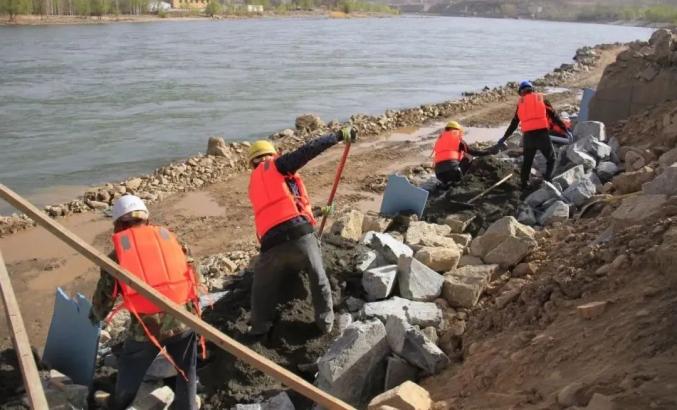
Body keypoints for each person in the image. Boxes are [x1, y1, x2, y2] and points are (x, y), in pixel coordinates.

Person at [89, 195, 200, 410]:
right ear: (146, 220)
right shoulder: (174, 241)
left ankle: (118, 403)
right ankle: (187, 406)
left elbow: (106, 298)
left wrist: (94, 317)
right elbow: (195, 277)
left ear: (119, 224)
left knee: (130, 368)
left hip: (147, 329)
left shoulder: (116, 257)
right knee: (187, 369)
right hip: (183, 320)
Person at [246, 127, 357, 337]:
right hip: (299, 234)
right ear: (273, 154)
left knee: (261, 288)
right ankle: (325, 323)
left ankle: (259, 327)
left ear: (252, 163)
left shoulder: (253, 185)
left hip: (270, 243)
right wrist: (337, 136)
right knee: (318, 275)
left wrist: (317, 211)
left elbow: (277, 212)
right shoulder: (278, 165)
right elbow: (307, 151)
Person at [494, 80, 570, 191]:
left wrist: (504, 138)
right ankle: (547, 179)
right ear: (532, 89)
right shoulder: (542, 100)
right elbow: (554, 116)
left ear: (521, 92)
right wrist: (565, 130)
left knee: (527, 162)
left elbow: (514, 123)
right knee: (551, 158)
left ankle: (524, 185)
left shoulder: (521, 104)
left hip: (528, 138)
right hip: (542, 135)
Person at [433, 120, 488, 186]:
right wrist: (486, 153)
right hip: (453, 172)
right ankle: (460, 179)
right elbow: (471, 152)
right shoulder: (457, 139)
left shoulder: (440, 140)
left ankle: (446, 182)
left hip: (439, 175)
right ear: (457, 130)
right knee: (468, 158)